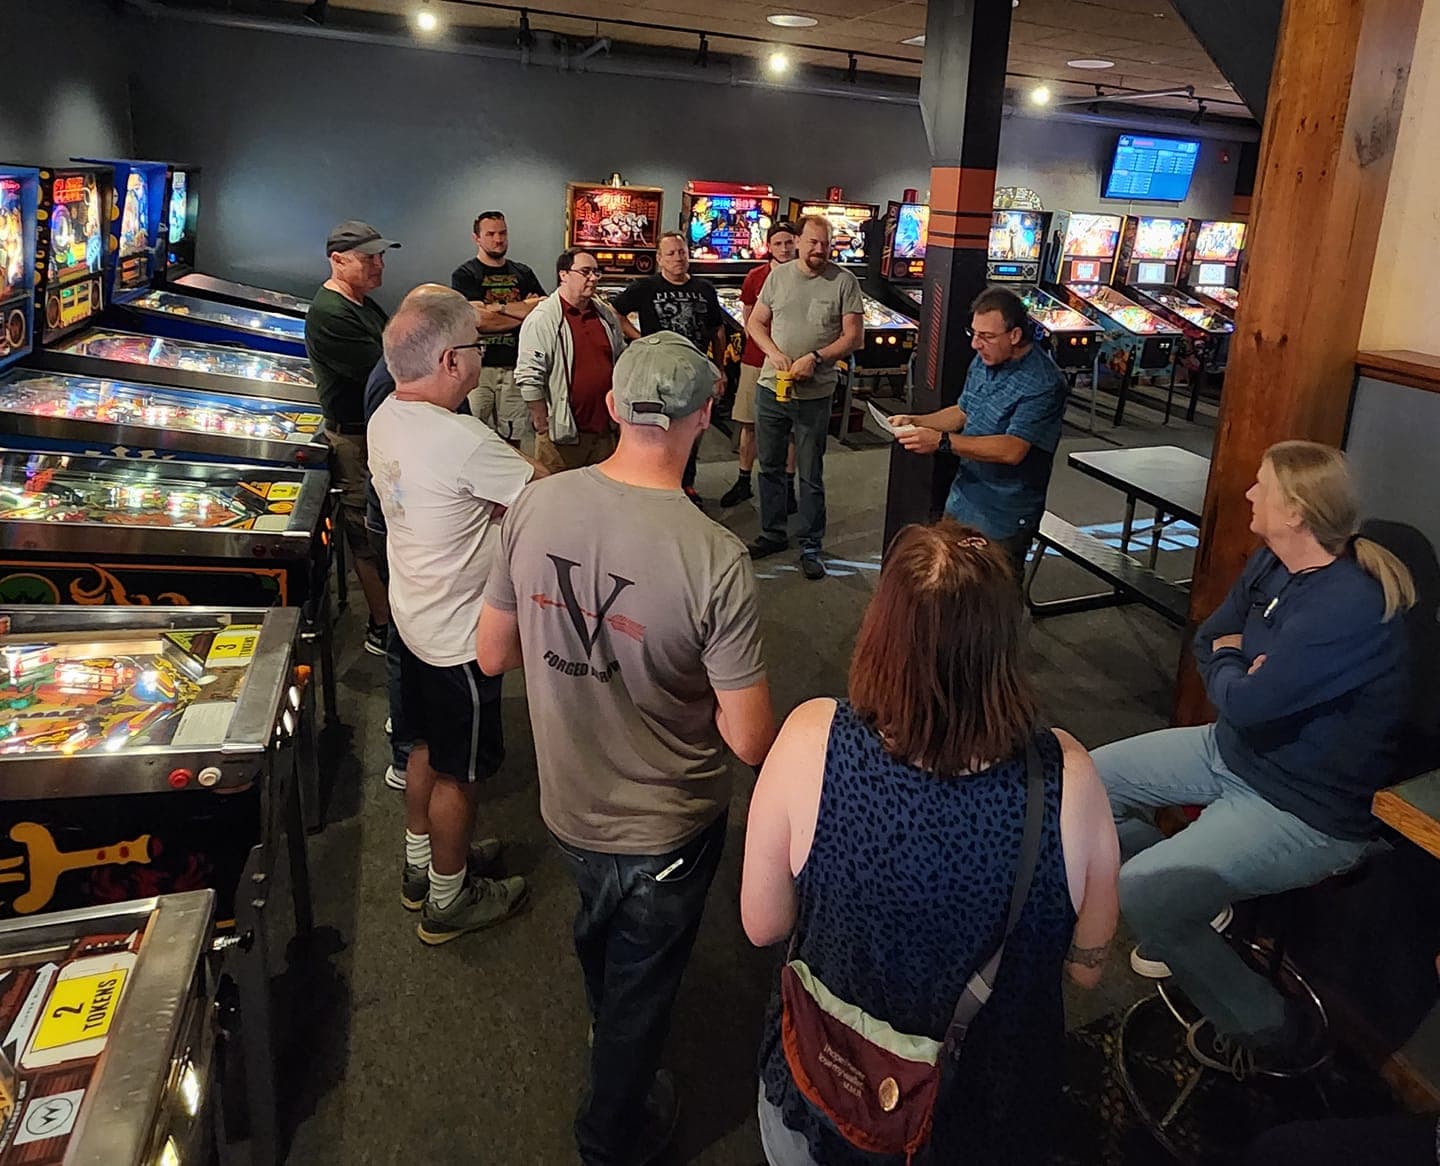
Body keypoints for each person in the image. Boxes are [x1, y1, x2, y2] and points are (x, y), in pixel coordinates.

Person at [476, 331, 776, 1165]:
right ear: (707, 415)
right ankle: (611, 1136)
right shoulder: (716, 557)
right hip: (666, 827)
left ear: (611, 407)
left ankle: (610, 1038)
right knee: (645, 989)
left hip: (567, 803)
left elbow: (492, 653)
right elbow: (749, 739)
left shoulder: (537, 501)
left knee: (601, 938)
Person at [741, 519, 1119, 1164]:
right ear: (1006, 641)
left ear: (882, 628)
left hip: (831, 1086)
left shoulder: (813, 738)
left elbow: (763, 923)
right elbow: (1088, 969)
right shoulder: (1067, 779)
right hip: (981, 1110)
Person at [1094, 441, 1415, 1077]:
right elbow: (1212, 636)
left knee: (1139, 892)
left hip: (1305, 809)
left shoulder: (1348, 607)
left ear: (1295, 511)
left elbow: (1246, 702)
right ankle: (1194, 906)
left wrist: (1238, 671)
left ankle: (1269, 1029)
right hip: (1233, 754)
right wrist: (1239, 664)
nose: (1248, 494)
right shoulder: (1274, 563)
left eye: (1260, 486)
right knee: (1083, 784)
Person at [367, 284, 545, 945]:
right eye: (475, 344)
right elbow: (539, 500)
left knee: (421, 748)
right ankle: (449, 898)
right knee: (460, 776)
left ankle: (423, 867)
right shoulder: (463, 439)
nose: (479, 355)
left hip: (413, 619)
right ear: (449, 361)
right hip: (460, 638)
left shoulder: (388, 412)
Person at [889, 286, 1069, 582]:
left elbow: (1012, 450)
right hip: (963, 498)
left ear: (1014, 336)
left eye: (986, 336)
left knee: (992, 600)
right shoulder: (985, 359)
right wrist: (917, 420)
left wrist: (941, 442)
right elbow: (962, 411)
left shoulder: (1043, 383)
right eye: (973, 333)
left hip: (1004, 513)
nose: (976, 344)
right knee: (947, 584)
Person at [746, 215, 864, 580]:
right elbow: (755, 322)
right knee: (769, 466)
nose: (819, 250)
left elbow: (853, 337)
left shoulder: (844, 281)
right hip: (772, 386)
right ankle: (772, 532)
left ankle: (811, 543)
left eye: (825, 244)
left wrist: (816, 358)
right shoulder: (777, 278)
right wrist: (772, 352)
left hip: (816, 393)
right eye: (813, 242)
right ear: (797, 241)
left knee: (810, 472)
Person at [304, 220, 401, 655]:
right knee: (365, 534)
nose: (379, 264)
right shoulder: (331, 313)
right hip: (353, 439)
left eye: (381, 256)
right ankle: (382, 625)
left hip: (375, 435)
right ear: (338, 260)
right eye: (369, 258)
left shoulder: (362, 303)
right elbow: (387, 369)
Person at [612, 232, 727, 507]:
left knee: (693, 432)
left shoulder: (705, 289)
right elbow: (615, 312)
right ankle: (654, 483)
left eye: (682, 252)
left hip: (696, 369)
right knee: (656, 432)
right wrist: (640, 339)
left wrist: (720, 369)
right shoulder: (645, 287)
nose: (678, 258)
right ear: (659, 258)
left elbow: (717, 329)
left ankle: (686, 484)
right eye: (672, 253)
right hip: (657, 374)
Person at [515, 248, 628, 474]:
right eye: (585, 272)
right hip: (562, 434)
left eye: (596, 272)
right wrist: (542, 423)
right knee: (558, 498)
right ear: (563, 275)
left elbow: (620, 359)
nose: (593, 278)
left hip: (604, 432)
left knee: (600, 497)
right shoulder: (543, 319)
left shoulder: (606, 316)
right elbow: (529, 376)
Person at [721, 221, 799, 512]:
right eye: (777, 243)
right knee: (748, 423)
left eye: (788, 242)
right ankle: (743, 479)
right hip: (757, 360)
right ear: (769, 245)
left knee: (789, 428)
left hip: (792, 361)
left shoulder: (805, 276)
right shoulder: (755, 277)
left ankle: (789, 486)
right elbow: (749, 321)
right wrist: (769, 349)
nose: (783, 248)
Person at [451, 210, 546, 444]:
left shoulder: (523, 273)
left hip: (516, 368)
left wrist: (497, 308)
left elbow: (541, 313)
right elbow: (479, 320)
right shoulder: (465, 274)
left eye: (502, 233)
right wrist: (523, 310)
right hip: (478, 370)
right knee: (473, 436)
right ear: (477, 238)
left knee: (515, 438)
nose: (498, 239)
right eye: (490, 234)